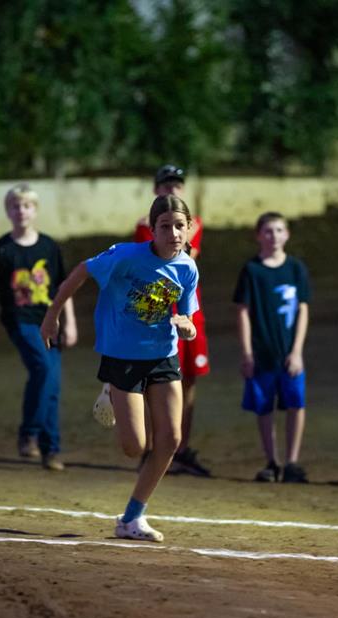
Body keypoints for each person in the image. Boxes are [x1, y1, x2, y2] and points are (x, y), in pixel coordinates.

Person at [42, 194, 199, 542]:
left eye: (179, 226)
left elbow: (187, 315)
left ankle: (131, 519)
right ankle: (111, 390)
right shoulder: (126, 256)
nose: (173, 233)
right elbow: (82, 270)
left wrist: (187, 326)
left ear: (190, 229)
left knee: (171, 439)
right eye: (164, 226)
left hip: (162, 355)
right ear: (152, 229)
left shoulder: (188, 267)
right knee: (134, 448)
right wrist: (52, 314)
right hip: (123, 357)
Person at [0, 184, 77, 470]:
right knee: (42, 369)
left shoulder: (48, 246)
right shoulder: (1, 248)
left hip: (50, 320)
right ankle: (28, 434)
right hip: (20, 321)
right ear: (8, 211)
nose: (21, 211)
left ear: (35, 210)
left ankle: (51, 450)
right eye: (15, 206)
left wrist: (69, 322)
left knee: (53, 384)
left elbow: (62, 286)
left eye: (26, 206)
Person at [130, 164, 211, 477]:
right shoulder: (146, 227)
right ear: (156, 190)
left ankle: (181, 448)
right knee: (158, 379)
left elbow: (186, 258)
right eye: (166, 186)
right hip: (159, 308)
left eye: (176, 186)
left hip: (189, 309)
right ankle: (154, 448)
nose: (172, 191)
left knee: (189, 377)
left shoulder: (193, 225)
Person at [233, 212, 311, 483]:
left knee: (295, 403)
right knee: (264, 406)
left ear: (287, 234)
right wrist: (247, 352)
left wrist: (297, 350)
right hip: (262, 351)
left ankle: (292, 462)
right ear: (258, 235)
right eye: (268, 231)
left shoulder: (295, 268)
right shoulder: (252, 270)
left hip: (289, 351)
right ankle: (272, 461)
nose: (274, 236)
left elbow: (302, 309)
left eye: (279, 230)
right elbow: (242, 312)